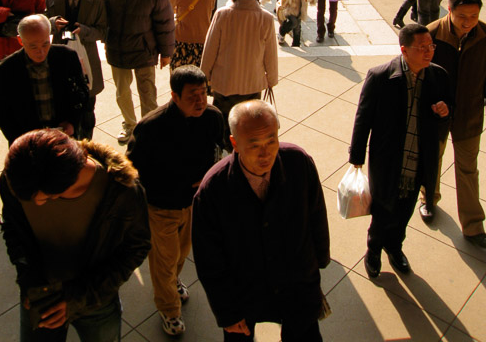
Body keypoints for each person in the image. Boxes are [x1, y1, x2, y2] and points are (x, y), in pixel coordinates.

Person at [192, 100, 330, 342]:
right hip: (243, 289)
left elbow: (317, 215)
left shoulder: (298, 163)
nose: (266, 153)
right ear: (234, 143)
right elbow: (208, 258)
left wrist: (318, 262)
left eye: (271, 140)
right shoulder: (213, 189)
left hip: (296, 283)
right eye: (254, 145)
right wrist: (227, 311)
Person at [0, 128, 150, 342]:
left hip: (96, 302)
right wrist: (27, 275)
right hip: (41, 296)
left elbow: (136, 249)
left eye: (46, 198)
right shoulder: (16, 181)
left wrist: (79, 298)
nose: (37, 204)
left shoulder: (121, 191)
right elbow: (13, 228)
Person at [349, 23, 452, 278]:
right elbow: (363, 118)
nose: (428, 52)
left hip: (420, 156)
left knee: (405, 208)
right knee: (383, 208)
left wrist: (444, 110)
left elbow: (449, 109)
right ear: (404, 50)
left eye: (431, 46)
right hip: (388, 158)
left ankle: (395, 247)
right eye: (422, 47)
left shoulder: (438, 76)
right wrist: (357, 157)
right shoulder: (381, 76)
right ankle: (374, 249)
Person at [127, 65, 223, 336]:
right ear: (174, 96)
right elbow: (131, 169)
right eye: (192, 95)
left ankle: (172, 281)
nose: (200, 101)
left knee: (181, 253)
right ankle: (169, 310)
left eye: (203, 93)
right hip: (161, 207)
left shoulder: (213, 117)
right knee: (164, 261)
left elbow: (220, 149)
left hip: (193, 205)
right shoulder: (151, 127)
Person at [418, 0, 486, 248]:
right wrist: (431, 102)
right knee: (432, 159)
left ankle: (473, 225)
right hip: (436, 113)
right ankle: (428, 198)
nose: (468, 22)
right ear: (449, 10)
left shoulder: (484, 35)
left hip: (470, 115)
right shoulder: (432, 34)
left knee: (468, 168)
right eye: (462, 16)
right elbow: (417, 73)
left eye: (474, 16)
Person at [100, 0, 175, 144]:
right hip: (117, 48)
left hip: (144, 49)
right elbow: (103, 17)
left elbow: (165, 22)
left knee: (147, 93)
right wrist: (104, 38)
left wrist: (166, 52)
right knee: (122, 92)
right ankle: (129, 124)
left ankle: (149, 128)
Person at [0, 14, 91, 144]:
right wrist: (22, 140)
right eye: (33, 47)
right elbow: (1, 114)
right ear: (20, 41)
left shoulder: (67, 57)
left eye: (45, 44)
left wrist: (72, 123)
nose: (41, 52)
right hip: (27, 143)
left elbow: (82, 93)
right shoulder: (5, 70)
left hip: (64, 138)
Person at [201, 0, 278, 141]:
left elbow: (210, 50)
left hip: (224, 84)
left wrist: (204, 76)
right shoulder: (265, 18)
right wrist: (271, 79)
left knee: (224, 128)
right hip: (252, 85)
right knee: (248, 128)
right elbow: (270, 55)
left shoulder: (222, 14)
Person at [168, 0, 216, 72]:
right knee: (200, 76)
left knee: (180, 76)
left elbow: (165, 10)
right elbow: (209, 9)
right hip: (203, 41)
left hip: (181, 41)